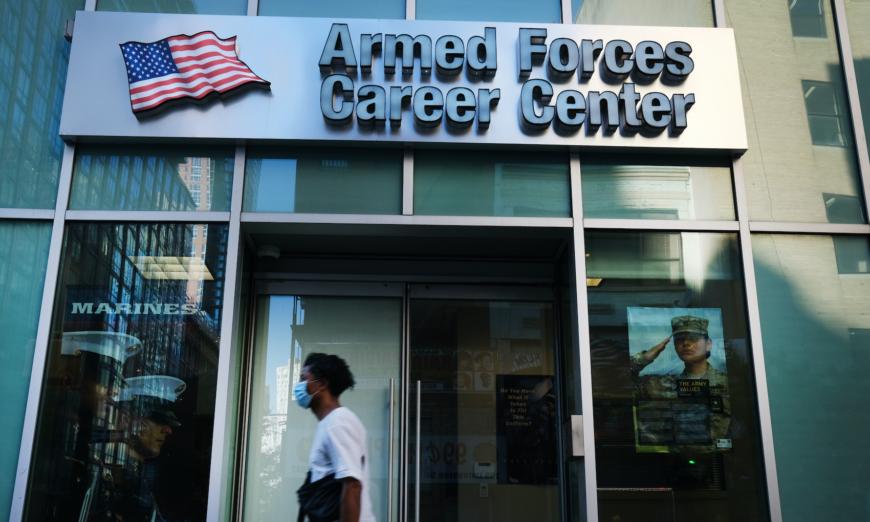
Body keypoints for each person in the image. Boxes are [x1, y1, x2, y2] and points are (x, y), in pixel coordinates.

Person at [294, 353, 375, 522]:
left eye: (304, 379)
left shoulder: (338, 422)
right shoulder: (330, 423)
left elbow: (352, 484)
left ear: (322, 384)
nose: (299, 386)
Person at [630, 315, 730, 450]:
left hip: (719, 460)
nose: (686, 343)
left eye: (694, 338)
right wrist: (645, 357)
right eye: (680, 339)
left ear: (708, 344)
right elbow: (617, 387)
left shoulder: (728, 383)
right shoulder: (662, 385)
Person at [81, 398, 181, 521]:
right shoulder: (105, 472)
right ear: (126, 420)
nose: (168, 430)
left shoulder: (139, 474)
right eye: (157, 421)